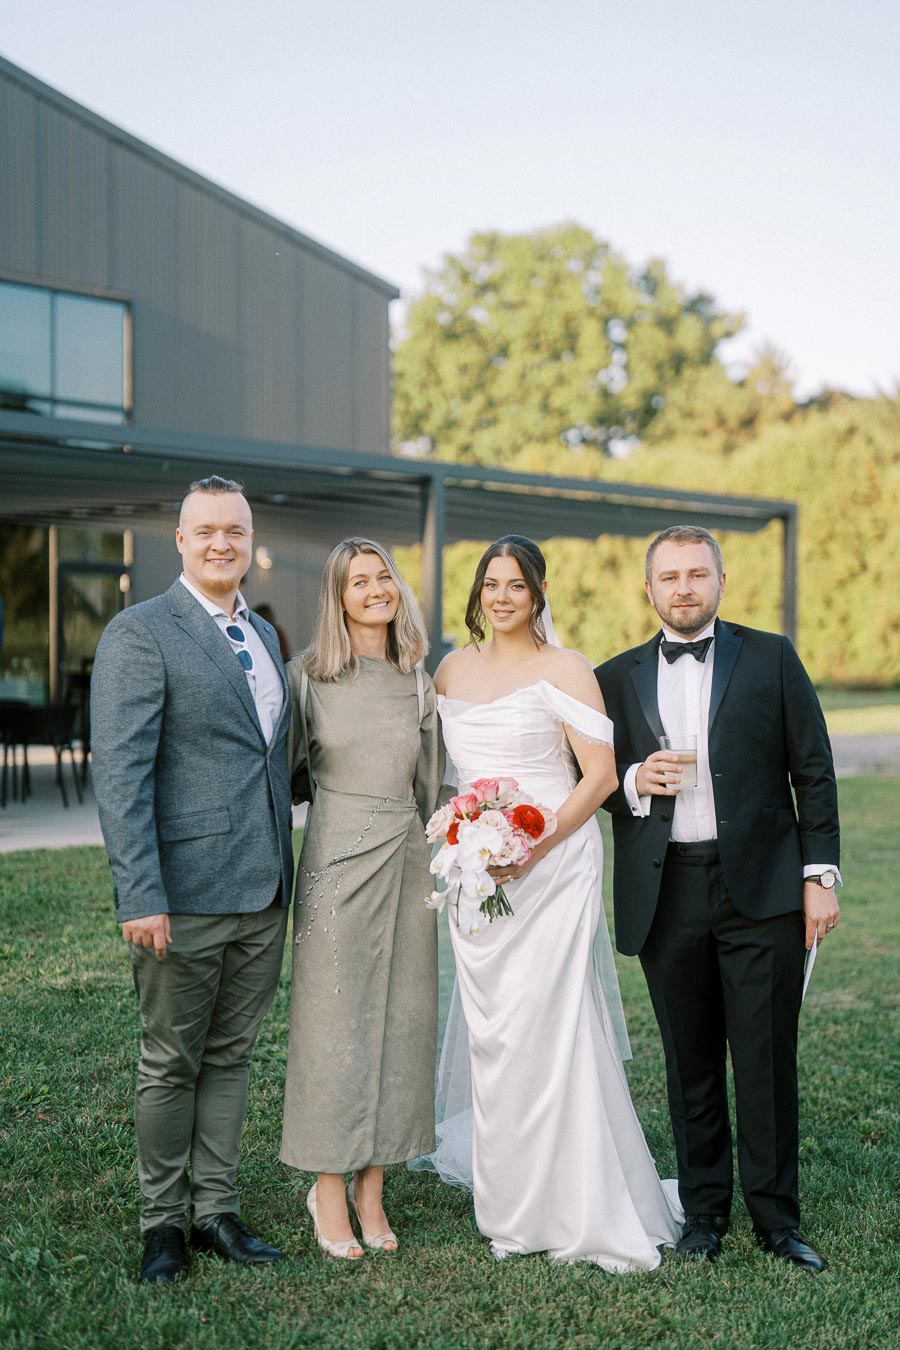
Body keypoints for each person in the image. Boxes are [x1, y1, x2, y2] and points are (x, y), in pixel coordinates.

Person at [423, 534, 681, 1272]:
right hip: (479, 874)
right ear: (478, 594)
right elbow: (451, 779)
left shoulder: (566, 669)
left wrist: (533, 848)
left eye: (517, 585)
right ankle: (513, 1204)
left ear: (537, 594)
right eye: (491, 584)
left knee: (553, 1025)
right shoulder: (451, 670)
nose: (502, 596)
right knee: (495, 1037)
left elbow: (598, 776)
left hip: (556, 864)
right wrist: (463, 836)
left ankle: (579, 1199)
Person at [595, 525, 840, 1272]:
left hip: (763, 889)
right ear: (648, 589)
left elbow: (815, 770)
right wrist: (637, 780)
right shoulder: (613, 676)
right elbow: (596, 782)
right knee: (689, 1062)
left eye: (697, 574)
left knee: (766, 1061)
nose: (683, 588)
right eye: (669, 576)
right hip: (666, 890)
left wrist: (818, 875)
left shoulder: (770, 658)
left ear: (720, 583)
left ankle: (777, 1221)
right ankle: (703, 1215)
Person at [91, 475, 294, 1285]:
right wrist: (140, 892)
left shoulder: (267, 637)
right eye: (205, 530)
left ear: (251, 542)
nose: (221, 543)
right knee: (171, 1060)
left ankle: (216, 1210)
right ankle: (160, 1225)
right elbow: (123, 773)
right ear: (178, 539)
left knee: (233, 1057)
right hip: (182, 890)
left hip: (263, 889)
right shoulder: (141, 633)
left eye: (235, 532)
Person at [281, 537, 443, 1260]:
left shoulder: (419, 682)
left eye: (383, 577)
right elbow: (283, 777)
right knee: (331, 1024)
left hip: (406, 863)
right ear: (337, 597)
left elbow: (434, 786)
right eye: (358, 581)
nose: (375, 589)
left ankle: (373, 1186)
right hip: (334, 865)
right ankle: (325, 1184)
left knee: (402, 1023)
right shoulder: (306, 680)